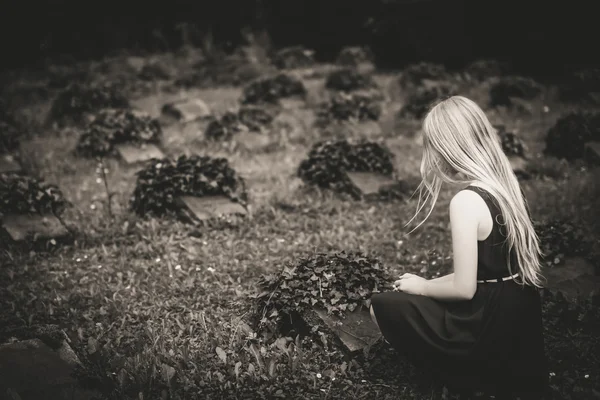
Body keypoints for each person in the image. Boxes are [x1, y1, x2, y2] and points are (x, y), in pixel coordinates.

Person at [369, 96, 548, 399]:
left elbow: (465, 288)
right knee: (411, 291)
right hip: (518, 317)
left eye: (433, 145)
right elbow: (484, 276)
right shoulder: (506, 187)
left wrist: (424, 287)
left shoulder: (466, 201)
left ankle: (459, 375)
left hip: (487, 325)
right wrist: (422, 284)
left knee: (381, 304)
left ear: (449, 147)